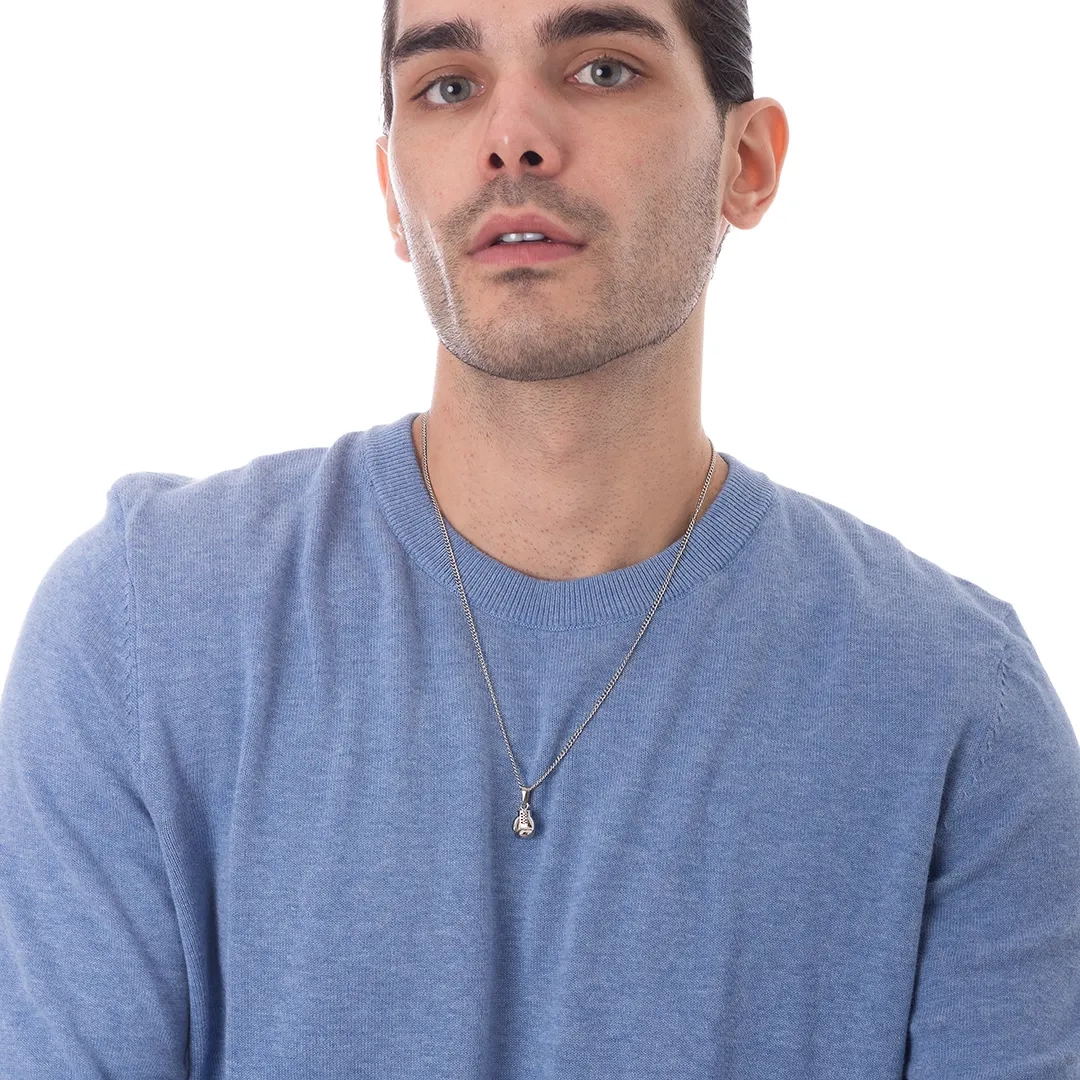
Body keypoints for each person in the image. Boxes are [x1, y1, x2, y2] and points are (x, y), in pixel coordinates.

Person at [2, 0, 1078, 1076]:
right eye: (448, 86)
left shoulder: (954, 708)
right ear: (392, 193)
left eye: (602, 70)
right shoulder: (147, 629)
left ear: (746, 164)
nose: (511, 138)